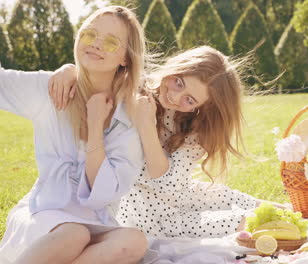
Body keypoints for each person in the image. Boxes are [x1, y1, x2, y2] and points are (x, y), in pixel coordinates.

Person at [49, 46, 287, 240]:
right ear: (176, 67)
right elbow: (94, 78)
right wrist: (68, 70)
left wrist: (146, 126)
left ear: (201, 107)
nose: (175, 96)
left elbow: (171, 186)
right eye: (179, 82)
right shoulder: (135, 87)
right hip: (148, 213)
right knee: (244, 220)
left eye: (189, 99)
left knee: (260, 206)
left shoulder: (194, 126)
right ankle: (268, 224)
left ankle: (293, 217)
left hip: (181, 194)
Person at [0, 6, 148, 264]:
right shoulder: (52, 88)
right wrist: (69, 68)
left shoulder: (130, 117)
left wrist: (94, 127)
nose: (97, 44)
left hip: (95, 221)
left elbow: (103, 194)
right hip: (44, 213)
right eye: (90, 34)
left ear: (126, 58)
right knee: (73, 234)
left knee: (133, 241)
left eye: (111, 41)